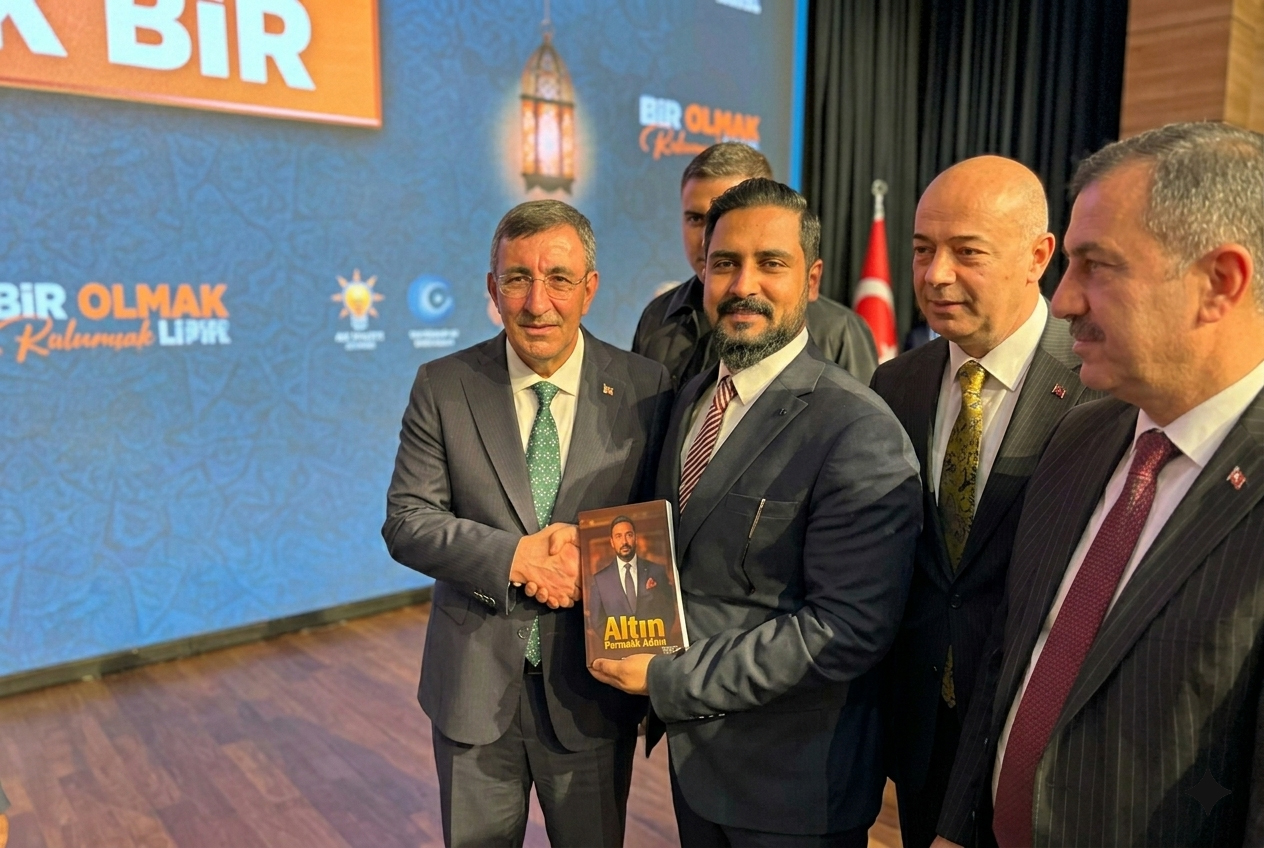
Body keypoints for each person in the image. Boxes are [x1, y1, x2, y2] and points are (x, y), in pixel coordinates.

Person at [936, 122, 1264, 847]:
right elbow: (1012, 654)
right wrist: (957, 827)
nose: (1062, 302)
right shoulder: (1077, 438)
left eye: (1097, 267)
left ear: (1220, 283)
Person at [591, 178, 921, 846]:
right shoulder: (690, 400)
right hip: (698, 771)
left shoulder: (857, 428)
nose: (744, 285)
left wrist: (668, 678)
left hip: (793, 790)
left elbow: (846, 628)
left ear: (812, 279)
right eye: (725, 263)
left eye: (771, 263)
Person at [382, 200, 673, 847]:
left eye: (558, 279)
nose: (537, 303)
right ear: (493, 289)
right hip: (473, 690)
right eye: (518, 278)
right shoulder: (443, 385)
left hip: (594, 693)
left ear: (589, 289)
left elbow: (660, 526)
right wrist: (515, 558)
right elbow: (406, 520)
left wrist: (593, 561)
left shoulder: (646, 388)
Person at [869, 155, 1101, 848]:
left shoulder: (1099, 388)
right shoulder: (895, 384)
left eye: (967, 252)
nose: (936, 275)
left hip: (1035, 740)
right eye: (922, 250)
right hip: (921, 733)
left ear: (1038, 256)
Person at [632, 141, 879, 388]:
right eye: (696, 219)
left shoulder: (839, 331)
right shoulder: (658, 317)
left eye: (728, 217)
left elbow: (859, 408)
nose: (709, 237)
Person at [589, 515, 678, 634]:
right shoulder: (600, 580)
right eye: (618, 536)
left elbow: (669, 611)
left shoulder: (657, 571)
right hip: (618, 644)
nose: (624, 542)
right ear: (612, 542)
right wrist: (617, 642)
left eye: (629, 535)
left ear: (635, 538)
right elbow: (597, 621)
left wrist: (658, 639)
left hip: (654, 641)